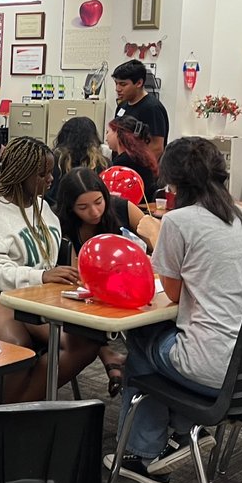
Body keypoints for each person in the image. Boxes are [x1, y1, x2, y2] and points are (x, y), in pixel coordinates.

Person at [106, 137, 242, 483]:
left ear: (173, 181)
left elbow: (174, 294)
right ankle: (180, 432)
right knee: (167, 344)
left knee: (140, 339)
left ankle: (142, 452)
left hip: (212, 368)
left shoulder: (179, 221)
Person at [0, 137, 100, 404]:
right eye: (43, 174)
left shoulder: (44, 209)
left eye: (51, 172)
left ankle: (15, 409)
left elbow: (45, 264)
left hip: (29, 294)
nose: (51, 179)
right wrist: (40, 276)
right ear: (21, 174)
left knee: (82, 344)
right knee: (15, 343)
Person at [53, 167, 162, 397]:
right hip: (90, 298)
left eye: (99, 201)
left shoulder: (122, 207)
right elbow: (73, 276)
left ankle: (120, 362)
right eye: (83, 207)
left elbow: (157, 242)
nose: (94, 212)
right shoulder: (62, 226)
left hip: (135, 289)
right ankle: (111, 357)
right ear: (70, 208)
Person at [112, 59, 168, 160]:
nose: (118, 89)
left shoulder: (152, 108)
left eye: (123, 84)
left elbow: (157, 148)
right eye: (116, 83)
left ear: (139, 83)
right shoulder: (122, 106)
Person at [46, 116, 108, 203]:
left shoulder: (54, 160)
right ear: (93, 137)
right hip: (92, 209)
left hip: (56, 209)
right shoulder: (103, 163)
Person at [107, 116, 159, 202]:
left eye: (108, 132)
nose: (106, 137)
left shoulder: (123, 162)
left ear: (118, 133)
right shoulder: (142, 156)